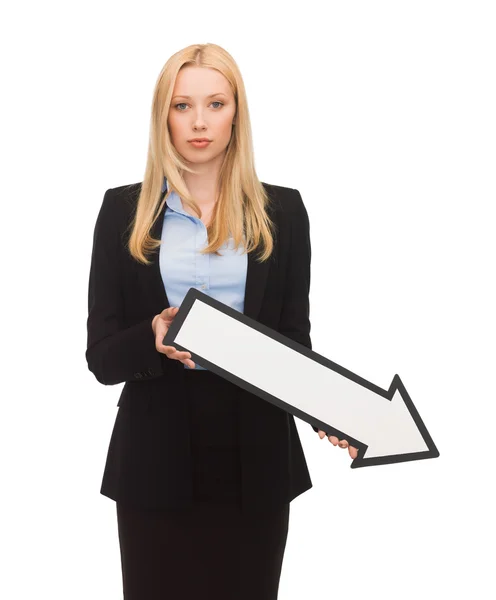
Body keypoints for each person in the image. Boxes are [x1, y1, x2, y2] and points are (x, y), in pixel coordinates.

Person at [86, 42, 357, 600]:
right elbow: (101, 357)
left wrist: (333, 411)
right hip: (154, 460)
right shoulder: (122, 210)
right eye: (182, 106)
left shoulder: (283, 211)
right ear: (163, 114)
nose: (200, 122)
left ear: (238, 112)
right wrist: (152, 336)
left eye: (215, 103)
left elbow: (294, 343)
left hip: (255, 462)